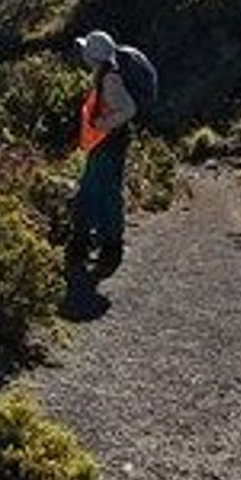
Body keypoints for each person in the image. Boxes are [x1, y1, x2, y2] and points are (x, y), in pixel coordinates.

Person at [64, 30, 155, 317]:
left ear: (94, 55)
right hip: (110, 143)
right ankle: (107, 244)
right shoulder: (108, 72)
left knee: (93, 191)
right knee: (103, 191)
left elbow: (127, 108)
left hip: (107, 143)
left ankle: (89, 244)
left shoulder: (110, 78)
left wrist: (103, 124)